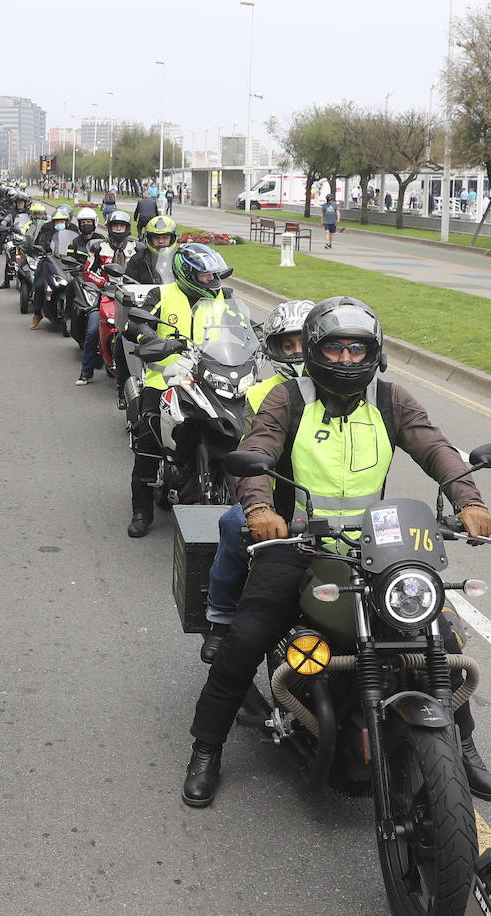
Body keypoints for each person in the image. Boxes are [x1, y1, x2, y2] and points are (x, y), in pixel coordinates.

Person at [180, 296, 491, 808]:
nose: (348, 360)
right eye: (336, 348)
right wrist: (261, 509)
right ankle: (207, 749)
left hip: (376, 546)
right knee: (247, 636)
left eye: (359, 349)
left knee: (434, 633)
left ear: (374, 353)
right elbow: (258, 451)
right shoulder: (288, 398)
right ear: (314, 350)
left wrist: (469, 498)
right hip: (297, 544)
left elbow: (435, 447)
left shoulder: (393, 399)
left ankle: (462, 745)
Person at [196, 299, 314, 663]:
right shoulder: (262, 393)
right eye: (287, 345)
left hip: (333, 503)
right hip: (278, 500)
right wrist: (259, 505)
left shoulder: (352, 389)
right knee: (232, 524)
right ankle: (221, 618)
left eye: (302, 343)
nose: (295, 353)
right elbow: (253, 450)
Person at [121, 243, 240, 537]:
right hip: (166, 381)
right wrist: (150, 336)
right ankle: (141, 510)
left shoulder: (221, 299)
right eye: (206, 277)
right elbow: (134, 324)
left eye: (215, 276)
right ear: (187, 273)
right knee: (147, 439)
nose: (213, 282)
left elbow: (241, 327)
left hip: (211, 379)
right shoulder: (161, 295)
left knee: (238, 432)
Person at [77, 209, 136, 386]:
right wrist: (103, 283)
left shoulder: (137, 248)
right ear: (109, 228)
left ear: (127, 228)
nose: (118, 229)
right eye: (115, 225)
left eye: (122, 226)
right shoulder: (98, 247)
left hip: (131, 296)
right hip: (106, 295)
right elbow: (88, 272)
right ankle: (85, 373)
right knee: (93, 330)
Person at [28, 205, 74, 330]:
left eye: (62, 221)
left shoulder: (73, 229)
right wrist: (43, 249)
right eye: (57, 222)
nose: (59, 224)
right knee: (39, 284)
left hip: (67, 262)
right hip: (49, 260)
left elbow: (79, 243)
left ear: (67, 221)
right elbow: (39, 243)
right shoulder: (46, 229)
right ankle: (37, 313)